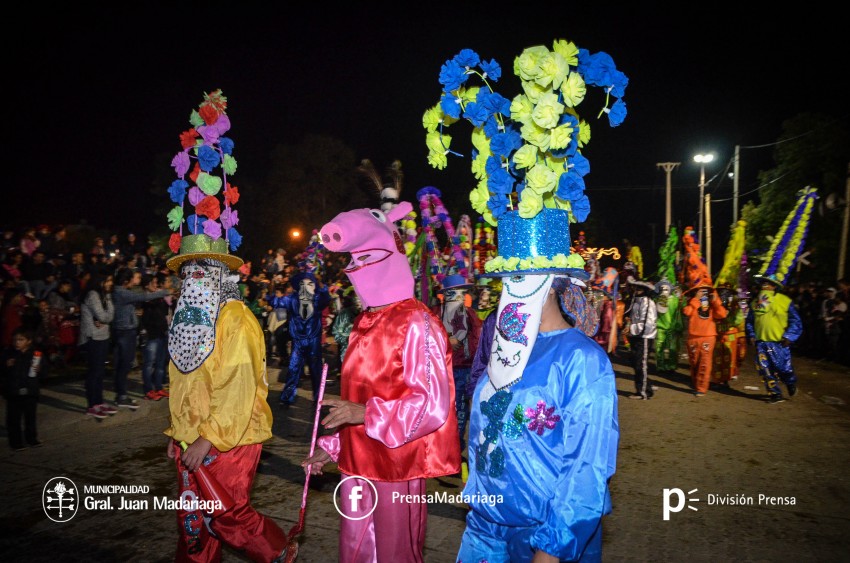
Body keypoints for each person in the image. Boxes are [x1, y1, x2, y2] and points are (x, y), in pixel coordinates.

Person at [162, 89, 288, 562]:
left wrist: (206, 437)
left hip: (229, 439)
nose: (192, 278)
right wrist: (179, 434)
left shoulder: (234, 317)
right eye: (186, 270)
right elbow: (184, 379)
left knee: (228, 515)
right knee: (194, 524)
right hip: (193, 438)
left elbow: (236, 385)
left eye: (202, 269)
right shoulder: (185, 317)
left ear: (219, 275)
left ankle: (280, 554)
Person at [303, 201, 460, 563]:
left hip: (396, 468)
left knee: (394, 554)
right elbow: (361, 398)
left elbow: (432, 405)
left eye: (365, 260)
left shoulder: (418, 324)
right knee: (354, 551)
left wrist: (364, 413)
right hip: (357, 467)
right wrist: (332, 448)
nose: (356, 272)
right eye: (352, 263)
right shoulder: (363, 324)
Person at [457, 211, 618, 563]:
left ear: (550, 281)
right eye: (505, 278)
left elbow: (587, 468)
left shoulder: (582, 360)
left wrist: (550, 550)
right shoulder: (504, 344)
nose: (508, 289)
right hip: (485, 529)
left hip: (543, 537)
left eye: (518, 276)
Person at [431, 273, 481, 463]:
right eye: (455, 293)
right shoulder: (435, 314)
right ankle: (442, 450)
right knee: (444, 410)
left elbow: (477, 342)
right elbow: (424, 339)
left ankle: (454, 450)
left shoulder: (470, 314)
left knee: (461, 413)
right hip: (444, 371)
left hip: (466, 371)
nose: (459, 296)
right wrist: (446, 341)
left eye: (462, 293)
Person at [110, 267, 170, 410]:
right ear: (126, 280)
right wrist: (165, 292)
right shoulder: (122, 293)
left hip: (127, 331)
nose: (134, 281)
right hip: (125, 332)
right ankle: (123, 396)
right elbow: (144, 297)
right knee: (125, 366)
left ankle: (122, 394)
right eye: (133, 278)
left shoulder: (123, 292)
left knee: (124, 365)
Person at [275, 271, 331, 405]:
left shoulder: (317, 299)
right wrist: (272, 295)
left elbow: (326, 298)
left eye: (310, 284)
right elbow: (278, 302)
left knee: (315, 370)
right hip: (298, 341)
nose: (306, 288)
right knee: (293, 369)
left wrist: (322, 285)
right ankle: (287, 397)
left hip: (313, 341)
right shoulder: (293, 299)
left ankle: (318, 397)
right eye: (303, 284)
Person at [746, 274, 803, 403]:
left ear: (774, 286)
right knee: (765, 369)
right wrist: (752, 335)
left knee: (783, 368)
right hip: (761, 343)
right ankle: (775, 393)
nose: (764, 286)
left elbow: (796, 321)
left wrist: (789, 336)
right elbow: (749, 321)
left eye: (768, 283)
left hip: (780, 343)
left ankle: (790, 382)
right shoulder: (755, 303)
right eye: (763, 283)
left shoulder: (784, 301)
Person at [77, 273, 118, 419]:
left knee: (99, 372)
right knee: (94, 373)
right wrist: (106, 315)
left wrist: (105, 318)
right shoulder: (93, 295)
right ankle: (92, 405)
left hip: (102, 337)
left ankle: (99, 402)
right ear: (100, 281)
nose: (110, 283)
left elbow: (105, 317)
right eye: (108, 280)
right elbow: (105, 317)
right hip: (92, 338)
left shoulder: (101, 295)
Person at [2, 327, 44, 450]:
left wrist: (40, 370)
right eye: (15, 340)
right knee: (13, 419)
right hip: (14, 392)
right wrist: (6, 365)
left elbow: (44, 371)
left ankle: (31, 438)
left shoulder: (35, 354)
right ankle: (16, 442)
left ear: (29, 341)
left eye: (21, 340)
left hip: (30, 391)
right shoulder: (8, 353)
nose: (17, 343)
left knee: (30, 417)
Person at [682, 285, 728, 397]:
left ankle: (701, 388)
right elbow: (686, 312)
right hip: (693, 337)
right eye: (700, 291)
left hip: (708, 336)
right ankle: (697, 383)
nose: (703, 294)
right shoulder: (692, 302)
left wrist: (715, 301)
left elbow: (722, 314)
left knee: (705, 363)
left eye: (705, 292)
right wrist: (695, 299)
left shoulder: (713, 304)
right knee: (694, 363)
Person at [140, 273, 172, 401]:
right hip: (151, 335)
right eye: (153, 283)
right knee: (149, 363)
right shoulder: (144, 298)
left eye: (155, 282)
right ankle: (148, 389)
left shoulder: (159, 298)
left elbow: (165, 312)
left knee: (160, 363)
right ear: (147, 285)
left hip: (162, 333)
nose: (155, 285)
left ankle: (158, 387)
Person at [625, 277, 658, 400]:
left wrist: (631, 329)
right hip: (636, 336)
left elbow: (647, 324)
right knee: (635, 363)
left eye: (638, 288)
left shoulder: (647, 302)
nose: (635, 290)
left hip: (644, 337)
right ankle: (646, 385)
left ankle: (643, 392)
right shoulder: (636, 300)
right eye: (635, 287)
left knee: (641, 364)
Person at [654, 278, 683, 375]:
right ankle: (662, 366)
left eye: (666, 287)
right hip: (661, 327)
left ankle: (671, 366)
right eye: (662, 288)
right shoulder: (658, 299)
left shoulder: (675, 300)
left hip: (672, 328)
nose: (664, 289)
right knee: (660, 348)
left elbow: (681, 310)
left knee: (672, 349)